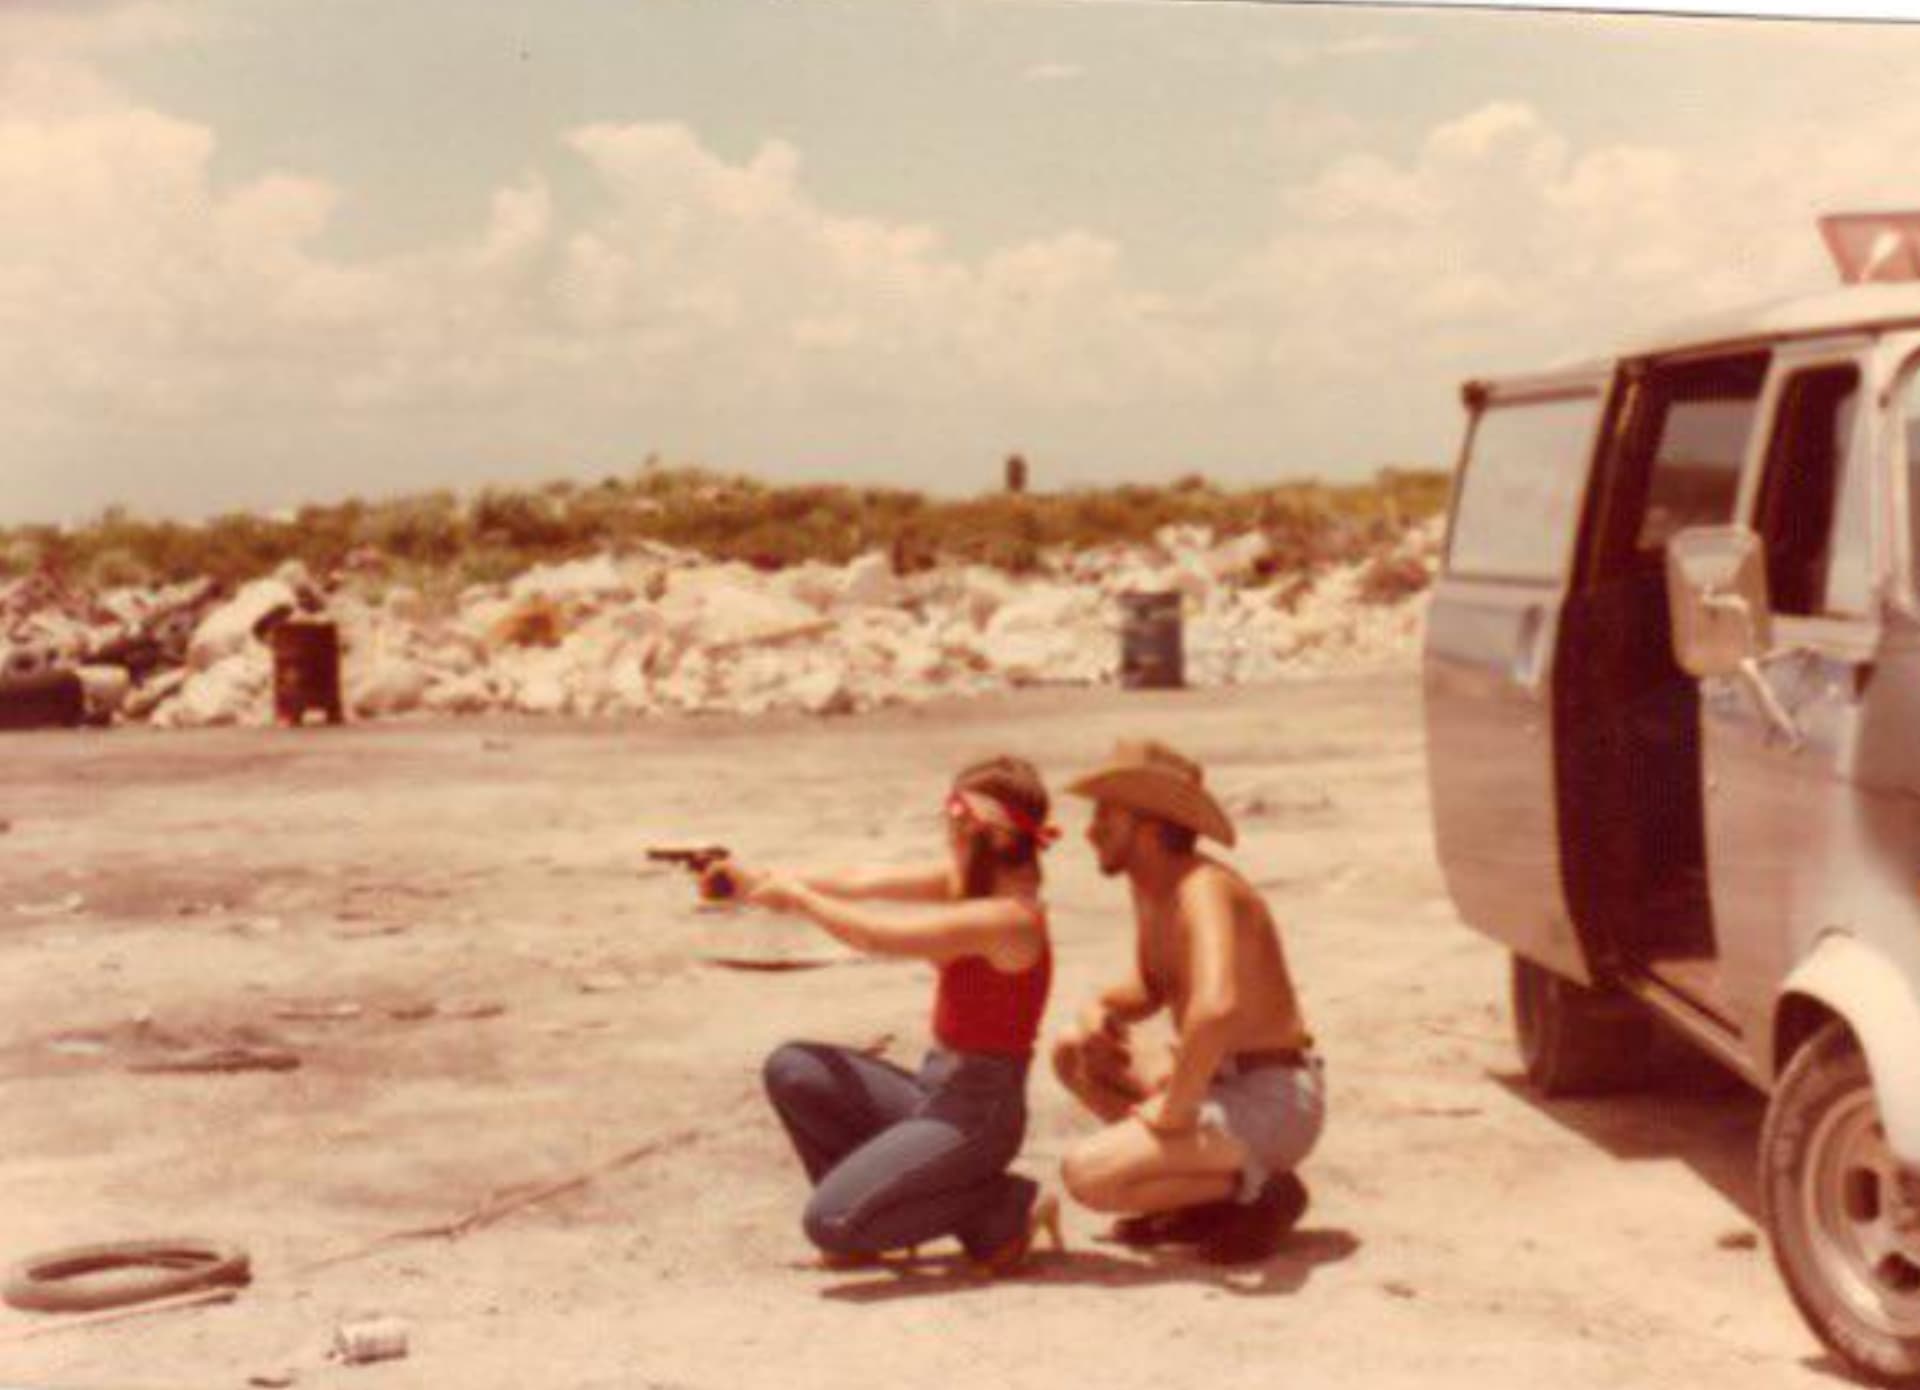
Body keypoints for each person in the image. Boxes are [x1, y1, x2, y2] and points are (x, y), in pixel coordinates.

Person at [710, 755, 1064, 1276]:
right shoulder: (974, 881)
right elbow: (862, 880)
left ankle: (1004, 1204)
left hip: (979, 1113)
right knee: (793, 1068)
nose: (950, 827)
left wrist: (799, 899)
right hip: (937, 1091)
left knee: (828, 1223)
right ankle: (882, 1202)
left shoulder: (1009, 917)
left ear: (1003, 837)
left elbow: (877, 937)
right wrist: (760, 880)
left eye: (961, 818)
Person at [1052, 739, 1323, 1265]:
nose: (1090, 831)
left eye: (1107, 818)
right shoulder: (1152, 885)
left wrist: (1176, 1108)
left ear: (1150, 829)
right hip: (1220, 1081)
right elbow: (1153, 985)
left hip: (1273, 1097)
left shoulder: (1204, 889)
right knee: (1072, 1050)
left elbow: (1216, 1007)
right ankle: (1209, 1199)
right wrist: (1100, 1008)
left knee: (1089, 1178)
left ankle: (1264, 1191)